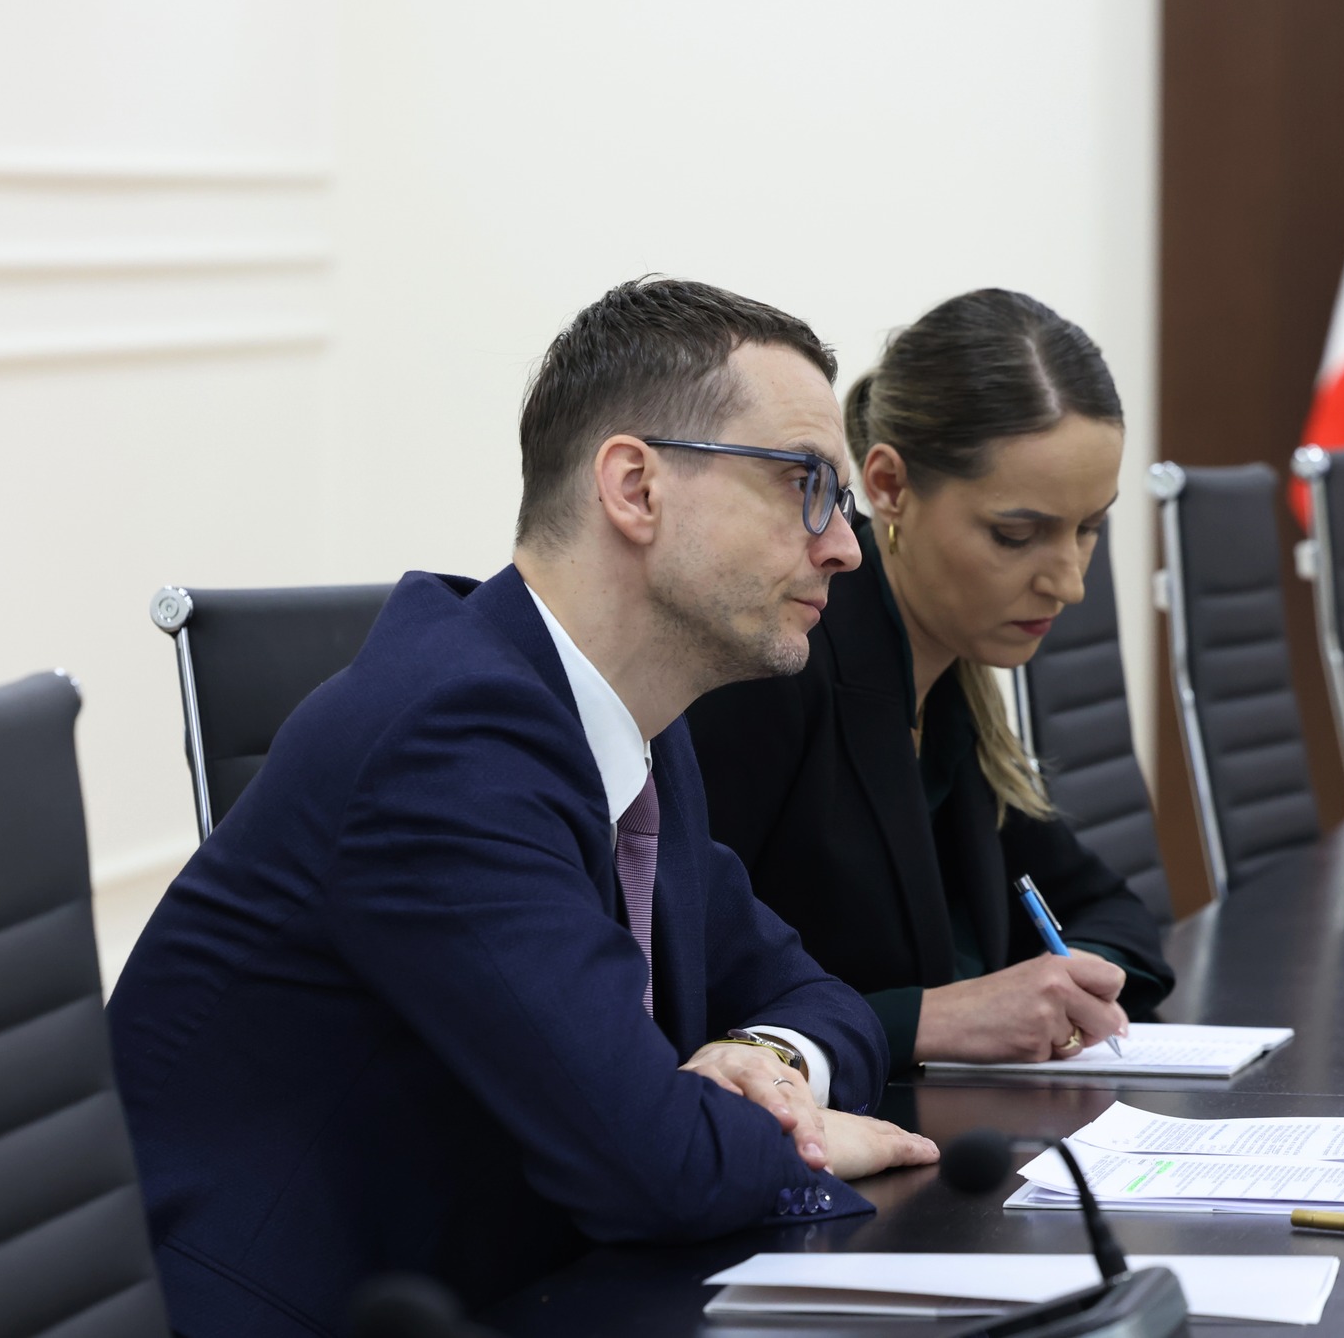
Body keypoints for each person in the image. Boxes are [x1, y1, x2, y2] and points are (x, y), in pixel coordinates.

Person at [108, 279, 938, 1336]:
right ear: (634, 488)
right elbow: (652, 1166)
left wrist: (775, 1065)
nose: (845, 547)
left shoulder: (634, 726)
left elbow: (818, 996)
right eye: (803, 485)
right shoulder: (449, 743)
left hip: (508, 1288)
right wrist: (807, 1136)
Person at [686, 289, 1174, 1072]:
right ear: (888, 486)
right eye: (1016, 535)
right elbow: (681, 998)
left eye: (1089, 529)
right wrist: (927, 1021)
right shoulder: (776, 664)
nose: (1070, 583)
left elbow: (1111, 909)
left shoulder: (950, 681)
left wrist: (1067, 988)